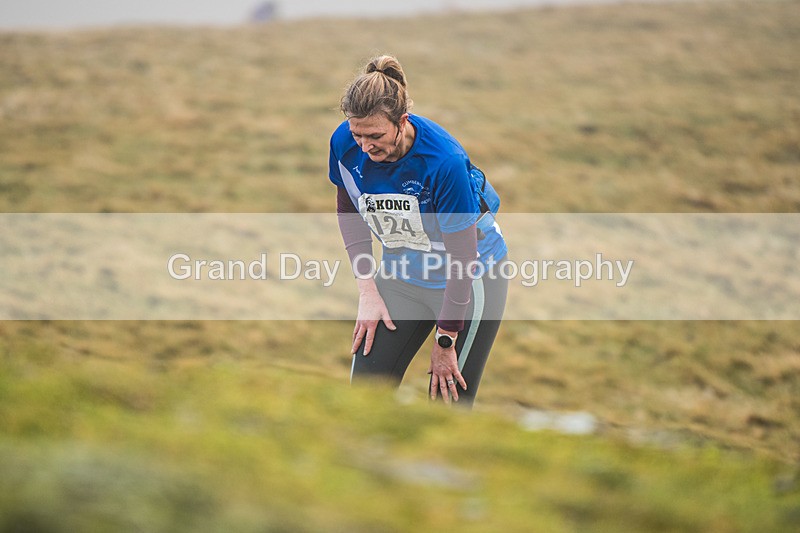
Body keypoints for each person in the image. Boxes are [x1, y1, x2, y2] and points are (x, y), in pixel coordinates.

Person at [328, 54, 508, 406]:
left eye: (376, 135)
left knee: (447, 404)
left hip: (469, 280)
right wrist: (367, 291)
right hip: (402, 275)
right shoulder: (344, 143)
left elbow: (463, 256)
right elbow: (349, 210)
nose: (365, 147)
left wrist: (445, 341)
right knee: (364, 398)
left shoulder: (443, 162)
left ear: (402, 121)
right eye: (357, 134)